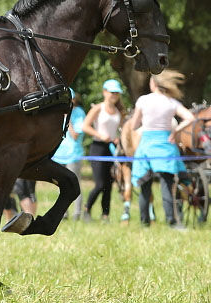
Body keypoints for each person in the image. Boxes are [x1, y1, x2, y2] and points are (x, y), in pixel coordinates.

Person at [128, 70, 194, 228]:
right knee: (167, 186)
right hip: (166, 146)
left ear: (154, 84)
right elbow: (190, 118)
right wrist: (176, 130)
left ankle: (145, 222)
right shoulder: (171, 102)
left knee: (145, 186)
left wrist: (145, 126)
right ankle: (171, 221)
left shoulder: (143, 100)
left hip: (147, 145)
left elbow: (134, 125)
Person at [81, 79, 125, 221]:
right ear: (105, 92)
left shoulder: (118, 111)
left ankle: (105, 215)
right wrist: (100, 135)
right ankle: (87, 209)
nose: (114, 95)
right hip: (98, 148)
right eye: (112, 92)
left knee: (109, 184)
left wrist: (118, 138)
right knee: (99, 184)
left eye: (116, 93)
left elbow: (121, 129)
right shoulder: (98, 108)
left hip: (111, 149)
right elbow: (85, 126)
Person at [51, 89, 86, 220]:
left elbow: (76, 135)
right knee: (60, 184)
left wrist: (68, 119)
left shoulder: (79, 113)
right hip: (58, 154)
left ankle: (77, 213)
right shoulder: (56, 114)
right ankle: (63, 214)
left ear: (73, 100)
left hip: (74, 154)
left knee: (75, 184)